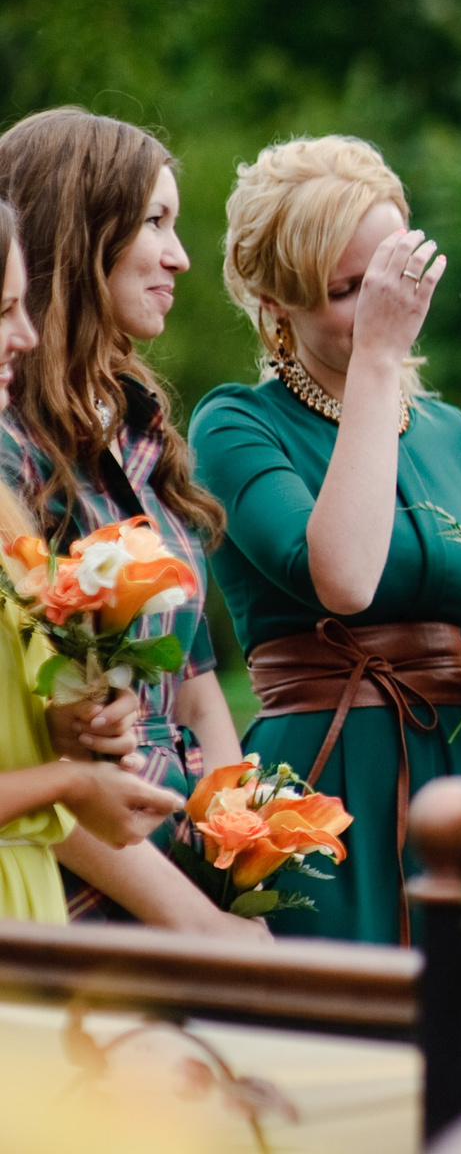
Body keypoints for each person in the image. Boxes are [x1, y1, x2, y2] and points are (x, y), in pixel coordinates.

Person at [189, 136, 461, 945]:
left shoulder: (453, 436)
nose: (377, 309)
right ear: (275, 302)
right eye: (345, 290)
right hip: (320, 787)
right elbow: (347, 581)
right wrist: (380, 359)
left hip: (460, 777)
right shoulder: (234, 425)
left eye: (389, 280)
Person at [0, 109, 253, 932]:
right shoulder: (14, 456)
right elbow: (33, 752)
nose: (180, 256)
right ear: (78, 234)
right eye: (155, 222)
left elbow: (197, 687)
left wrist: (240, 861)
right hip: (86, 906)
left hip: (187, 865)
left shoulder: (143, 426)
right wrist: (200, 928)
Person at [0, 196, 189, 922]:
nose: (23, 334)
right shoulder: (23, 467)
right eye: (4, 309)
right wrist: (69, 786)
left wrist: (64, 728)